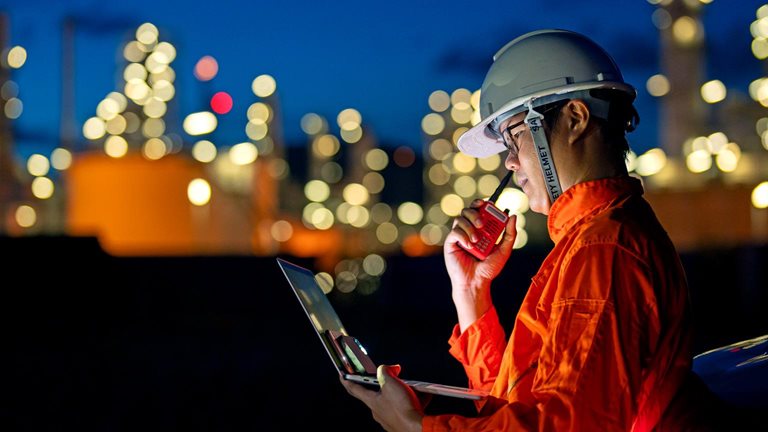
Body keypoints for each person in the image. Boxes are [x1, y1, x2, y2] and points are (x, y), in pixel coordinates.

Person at [341, 29, 723, 431]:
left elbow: (568, 425)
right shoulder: (588, 241)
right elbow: (524, 403)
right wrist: (470, 294)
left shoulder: (604, 249)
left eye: (515, 137)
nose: (509, 162)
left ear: (575, 118)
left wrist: (416, 427)